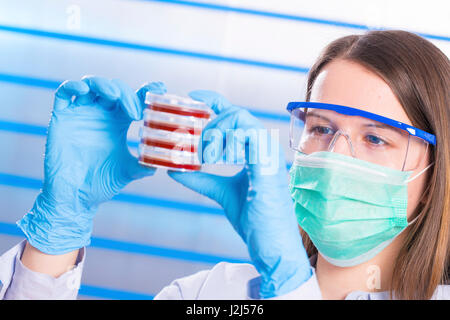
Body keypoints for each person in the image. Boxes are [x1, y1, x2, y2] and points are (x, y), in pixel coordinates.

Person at [0, 30, 448, 300]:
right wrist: (59, 233)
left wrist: (291, 283)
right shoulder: (212, 295)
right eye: (320, 128)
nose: (334, 158)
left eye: (375, 138)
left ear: (434, 175)